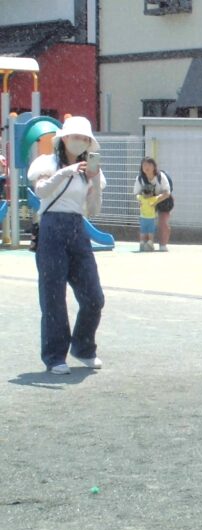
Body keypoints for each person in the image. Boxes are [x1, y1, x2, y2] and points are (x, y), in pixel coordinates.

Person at [27, 116, 107, 375]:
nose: (80, 142)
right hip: (51, 228)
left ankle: (83, 347)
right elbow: (41, 191)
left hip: (77, 228)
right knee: (53, 297)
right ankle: (54, 356)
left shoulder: (90, 170)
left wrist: (94, 183)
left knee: (94, 297)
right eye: (76, 136)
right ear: (63, 139)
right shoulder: (46, 162)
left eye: (85, 138)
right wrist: (64, 172)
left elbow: (92, 211)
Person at [132, 157, 172, 252]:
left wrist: (156, 200)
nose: (146, 167)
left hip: (163, 201)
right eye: (144, 165)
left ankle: (163, 245)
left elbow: (167, 192)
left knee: (163, 222)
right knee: (146, 223)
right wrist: (141, 201)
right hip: (147, 203)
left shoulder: (161, 176)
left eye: (149, 164)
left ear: (154, 166)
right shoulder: (140, 178)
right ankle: (147, 244)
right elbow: (136, 193)